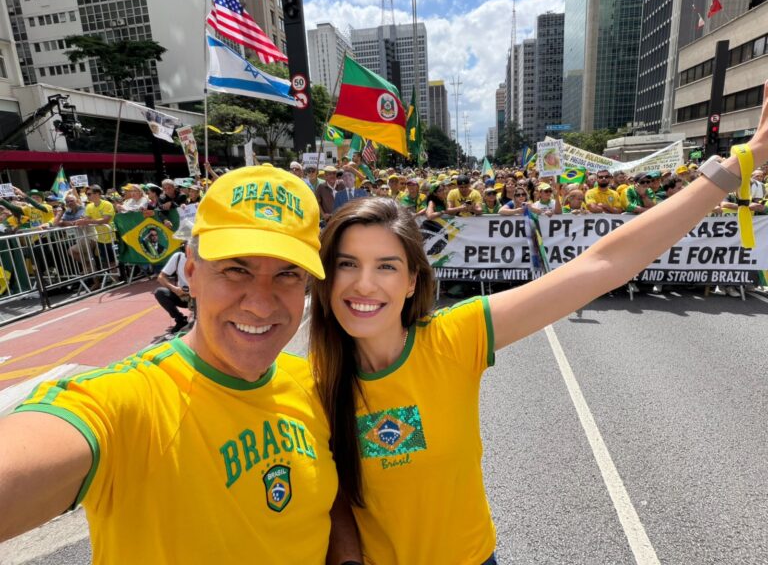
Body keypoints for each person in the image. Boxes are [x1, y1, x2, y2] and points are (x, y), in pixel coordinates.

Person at [308, 81, 768, 564]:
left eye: (386, 266)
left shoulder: (456, 337)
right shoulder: (314, 377)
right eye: (346, 263)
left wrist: (744, 159)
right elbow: (332, 498)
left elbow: (606, 263)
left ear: (410, 282)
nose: (364, 284)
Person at [0, 165, 361, 564]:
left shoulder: (311, 384)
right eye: (236, 269)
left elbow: (328, 498)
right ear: (191, 271)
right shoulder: (130, 399)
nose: (260, 303)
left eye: (287, 274)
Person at [154, 247, 191, 334]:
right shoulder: (178, 257)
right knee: (160, 293)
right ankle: (180, 320)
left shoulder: (205, 259)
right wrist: (175, 289)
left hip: (201, 295)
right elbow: (161, 277)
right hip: (183, 296)